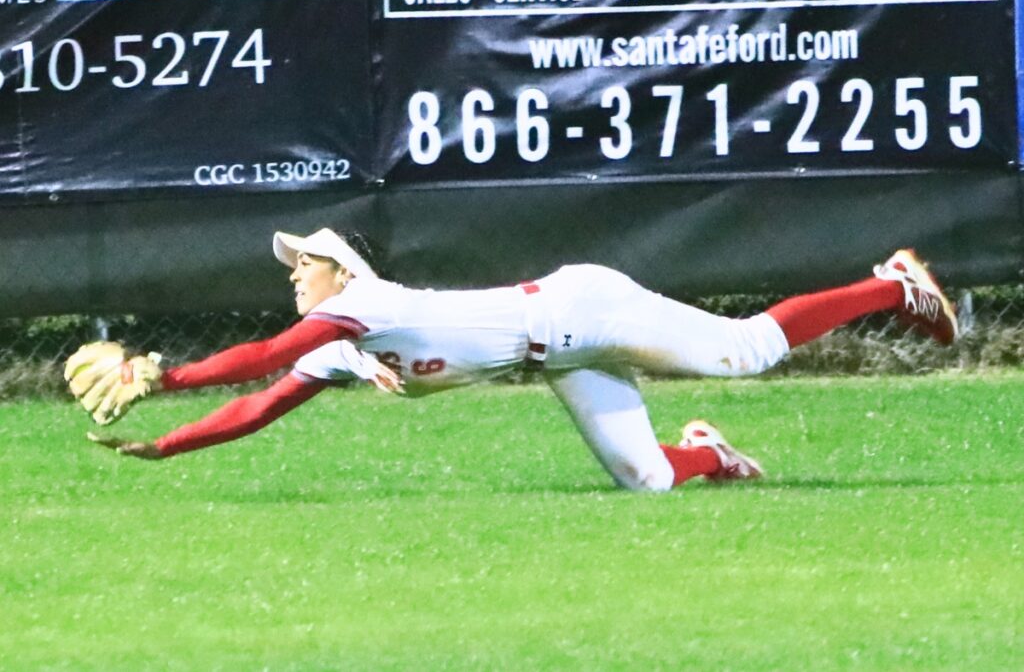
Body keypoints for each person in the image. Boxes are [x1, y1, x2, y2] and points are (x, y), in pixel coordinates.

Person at [84, 227, 958, 492]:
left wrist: (165, 373)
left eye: (302, 265)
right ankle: (713, 455)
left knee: (748, 349)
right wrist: (166, 445)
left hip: (584, 308)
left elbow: (265, 354)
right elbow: (264, 400)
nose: (294, 279)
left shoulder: (360, 303)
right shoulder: (349, 341)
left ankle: (887, 284)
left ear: (341, 269)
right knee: (648, 480)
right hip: (559, 356)